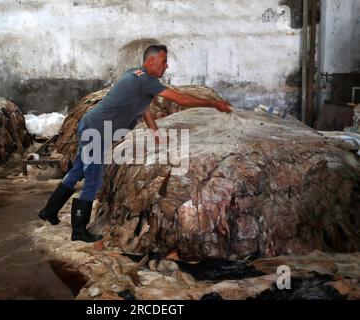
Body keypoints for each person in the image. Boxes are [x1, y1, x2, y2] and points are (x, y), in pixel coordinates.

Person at [38, 45, 232, 243]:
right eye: (163, 61)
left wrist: (154, 131)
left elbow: (143, 105)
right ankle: (79, 231)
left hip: (92, 125)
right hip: (96, 130)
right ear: (151, 61)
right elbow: (179, 98)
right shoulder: (147, 81)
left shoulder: (135, 74)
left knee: (78, 170)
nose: (166, 66)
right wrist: (212, 103)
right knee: (93, 179)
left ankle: (49, 211)